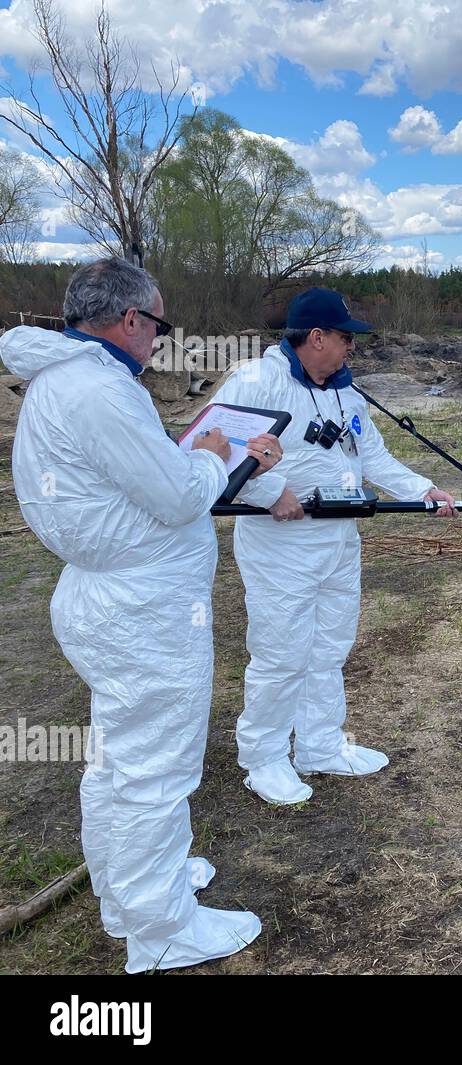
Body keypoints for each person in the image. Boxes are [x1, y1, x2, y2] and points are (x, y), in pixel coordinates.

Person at [1, 257, 283, 972]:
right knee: (153, 766)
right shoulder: (99, 389)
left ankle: (131, 888)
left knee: (120, 761)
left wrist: (198, 457)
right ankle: (159, 929)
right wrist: (217, 454)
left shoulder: (65, 381)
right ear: (129, 319)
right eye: (156, 323)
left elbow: (140, 481)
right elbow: (179, 495)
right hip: (141, 611)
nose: (159, 338)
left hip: (118, 598)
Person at [209, 287, 455, 805]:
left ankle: (320, 746)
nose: (351, 348)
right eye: (345, 338)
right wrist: (272, 492)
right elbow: (213, 449)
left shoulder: (348, 393)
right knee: (281, 653)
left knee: (328, 648)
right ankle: (264, 758)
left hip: (339, 540)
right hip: (281, 547)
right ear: (316, 337)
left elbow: (374, 458)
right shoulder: (257, 380)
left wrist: (423, 490)